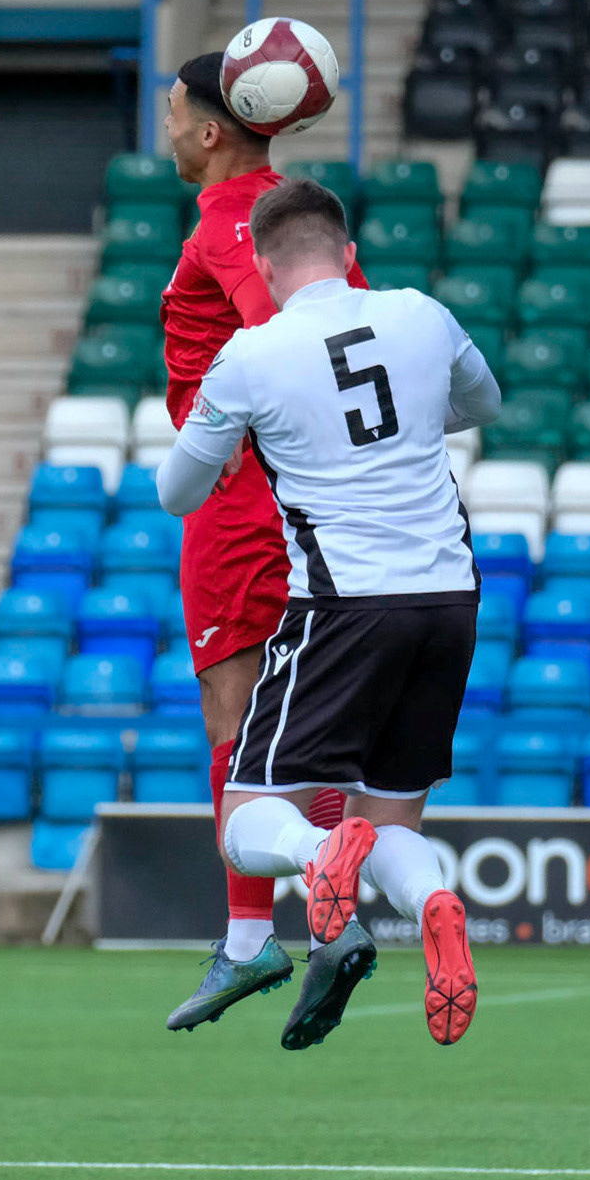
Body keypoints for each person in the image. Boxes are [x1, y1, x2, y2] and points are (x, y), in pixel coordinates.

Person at [157, 178, 501, 1050]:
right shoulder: (420, 313)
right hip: (449, 602)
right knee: (391, 821)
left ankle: (319, 859)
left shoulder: (253, 353)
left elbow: (175, 493)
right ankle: (433, 901)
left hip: (343, 608)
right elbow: (481, 406)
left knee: (243, 821)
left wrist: (244, 434)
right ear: (347, 254)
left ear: (265, 269)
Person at [161, 52, 368, 1031]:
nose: (164, 132)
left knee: (233, 720)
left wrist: (244, 449)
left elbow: (285, 334)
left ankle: (255, 939)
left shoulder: (237, 216)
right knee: (302, 722)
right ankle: (326, 921)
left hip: (246, 496)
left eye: (171, 116)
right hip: (304, 495)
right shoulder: (299, 208)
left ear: (209, 130)